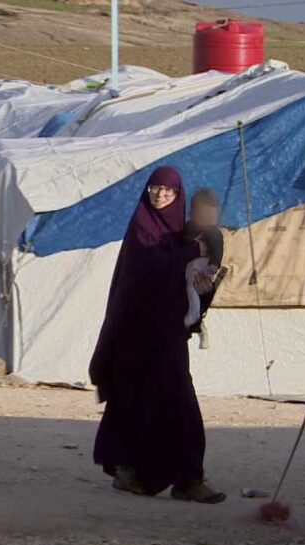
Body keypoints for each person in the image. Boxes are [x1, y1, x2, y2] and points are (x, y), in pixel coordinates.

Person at [88, 166, 225, 503]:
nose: (160, 194)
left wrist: (206, 287)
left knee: (178, 404)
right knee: (139, 404)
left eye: (169, 190)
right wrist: (191, 255)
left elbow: (185, 287)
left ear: (179, 196)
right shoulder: (142, 229)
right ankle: (143, 475)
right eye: (155, 188)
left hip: (168, 336)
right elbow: (150, 273)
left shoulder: (182, 234)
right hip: (135, 336)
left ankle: (186, 478)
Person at [184, 188, 225, 329]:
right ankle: (194, 316)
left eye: (211, 218)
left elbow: (218, 248)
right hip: (190, 268)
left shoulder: (214, 232)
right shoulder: (187, 229)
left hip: (204, 268)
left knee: (194, 287)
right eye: (203, 217)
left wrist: (214, 264)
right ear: (193, 214)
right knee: (191, 287)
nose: (208, 222)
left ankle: (194, 315)